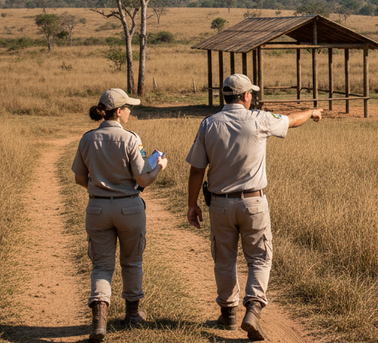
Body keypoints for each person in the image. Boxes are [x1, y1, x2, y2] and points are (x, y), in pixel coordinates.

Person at [186, 74, 322, 341]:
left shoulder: (208, 125)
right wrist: (312, 111)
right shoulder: (260, 119)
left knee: (224, 259)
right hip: (254, 202)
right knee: (260, 257)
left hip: (220, 205)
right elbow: (292, 121)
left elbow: (196, 169)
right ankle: (254, 308)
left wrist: (192, 204)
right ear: (246, 96)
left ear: (225, 96)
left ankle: (228, 314)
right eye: (252, 94)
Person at [72, 88, 168, 343]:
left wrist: (99, 190)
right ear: (118, 111)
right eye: (127, 107)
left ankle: (99, 320)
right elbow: (142, 178)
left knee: (101, 265)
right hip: (129, 207)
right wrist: (158, 168)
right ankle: (133, 314)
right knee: (132, 261)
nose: (129, 111)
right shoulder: (130, 138)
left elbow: (80, 178)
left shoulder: (87, 138)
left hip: (97, 207)